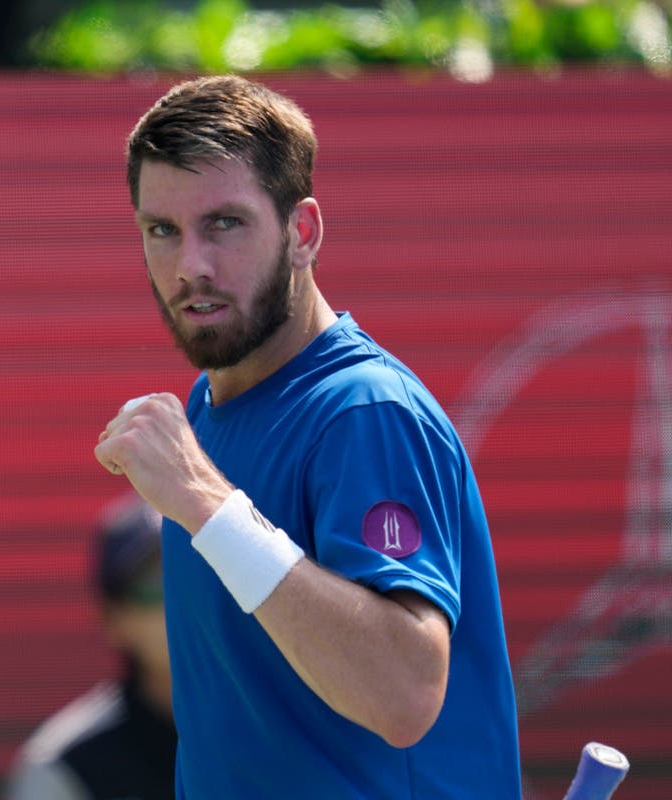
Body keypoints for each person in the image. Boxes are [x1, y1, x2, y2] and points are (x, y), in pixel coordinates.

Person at [94, 75, 521, 798]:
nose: (190, 264)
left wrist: (204, 502)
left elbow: (405, 692)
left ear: (303, 233)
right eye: (161, 229)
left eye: (224, 223)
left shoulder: (365, 410)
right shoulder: (209, 407)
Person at [7, 494, 176, 800]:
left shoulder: (280, 723)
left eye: (200, 576)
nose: (181, 600)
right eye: (155, 583)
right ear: (113, 619)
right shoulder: (67, 765)